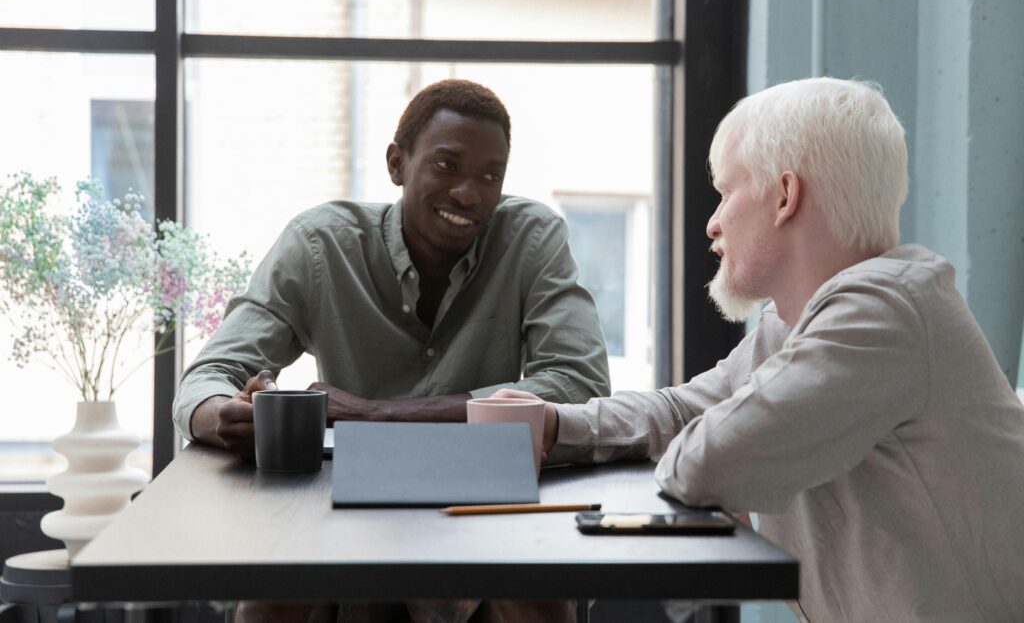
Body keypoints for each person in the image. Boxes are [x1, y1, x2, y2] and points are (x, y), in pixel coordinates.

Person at [497, 78, 1024, 622]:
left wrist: (719, 468)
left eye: (726, 191)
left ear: (784, 196)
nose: (713, 221)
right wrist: (557, 424)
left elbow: (712, 459)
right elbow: (683, 413)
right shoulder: (798, 326)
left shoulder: (881, 313)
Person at [174, 79, 609, 622]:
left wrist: (375, 414)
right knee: (274, 595)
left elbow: (579, 385)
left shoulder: (531, 238)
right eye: (448, 166)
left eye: (490, 175)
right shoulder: (320, 244)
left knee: (536, 591)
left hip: (490, 498)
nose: (470, 194)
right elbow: (211, 374)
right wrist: (224, 416)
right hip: (345, 500)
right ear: (397, 163)